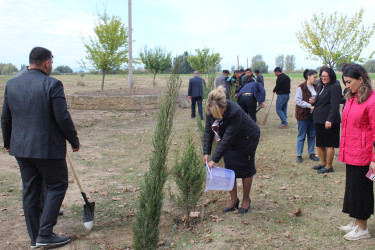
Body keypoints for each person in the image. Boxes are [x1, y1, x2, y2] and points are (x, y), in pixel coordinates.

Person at [1, 47, 80, 248]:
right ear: (47, 63)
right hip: (47, 149)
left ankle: (34, 237)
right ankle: (44, 234)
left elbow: (5, 117)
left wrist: (8, 143)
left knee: (30, 190)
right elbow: (62, 117)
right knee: (57, 185)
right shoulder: (52, 84)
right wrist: (74, 141)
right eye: (52, 62)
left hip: (21, 149)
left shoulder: (12, 84)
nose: (52, 66)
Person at [203, 86, 260, 214]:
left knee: (246, 168)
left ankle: (246, 199)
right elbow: (208, 131)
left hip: (247, 139)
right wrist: (206, 152)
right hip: (230, 141)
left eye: (219, 113)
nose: (216, 116)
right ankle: (234, 199)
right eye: (213, 114)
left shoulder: (235, 112)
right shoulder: (211, 109)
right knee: (230, 168)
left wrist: (214, 160)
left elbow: (227, 138)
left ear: (224, 107)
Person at [338, 64, 375, 241]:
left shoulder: (372, 101)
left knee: (361, 191)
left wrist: (374, 159)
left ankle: (363, 228)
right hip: (351, 152)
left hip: (364, 155)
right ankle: (356, 220)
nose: (347, 86)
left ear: (361, 80)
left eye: (349, 82)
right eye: (345, 82)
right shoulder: (352, 98)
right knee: (352, 189)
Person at [311, 67, 342, 174]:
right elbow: (321, 101)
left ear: (331, 76)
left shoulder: (335, 87)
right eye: (322, 76)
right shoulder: (322, 86)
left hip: (329, 121)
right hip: (319, 120)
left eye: (325, 76)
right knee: (320, 143)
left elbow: (334, 106)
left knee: (329, 144)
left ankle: (329, 167)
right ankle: (323, 163)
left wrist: (330, 120)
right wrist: (313, 102)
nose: (323, 78)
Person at [294, 69, 320, 163]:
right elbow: (297, 100)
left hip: (314, 116)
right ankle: (299, 154)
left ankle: (311, 153)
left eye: (316, 77)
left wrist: (315, 103)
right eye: (315, 77)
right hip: (303, 115)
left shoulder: (316, 87)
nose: (316, 79)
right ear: (308, 76)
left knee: (312, 134)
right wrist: (309, 105)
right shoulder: (301, 87)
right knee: (301, 135)